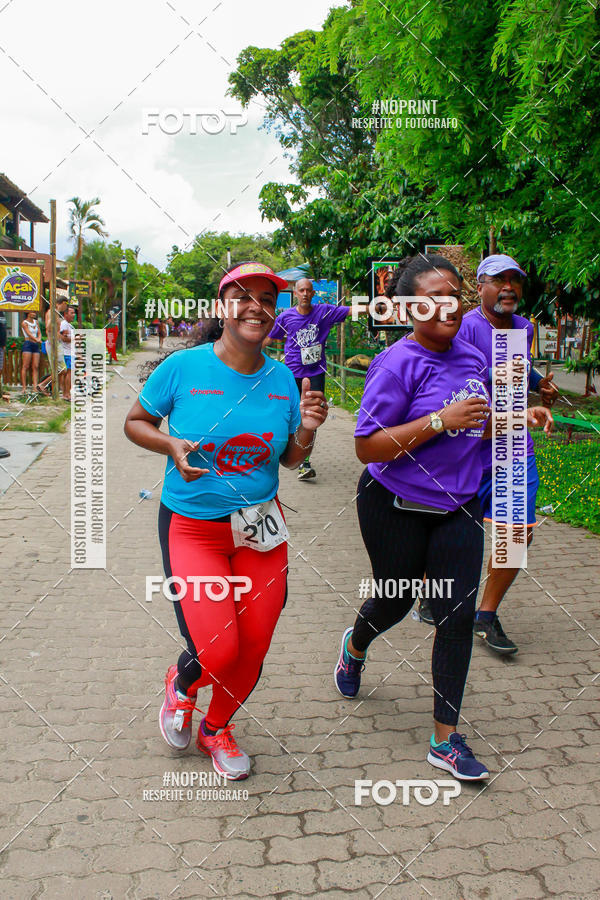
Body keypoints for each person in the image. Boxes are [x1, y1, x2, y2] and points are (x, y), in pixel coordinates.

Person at [333, 254, 552, 781]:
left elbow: (475, 425)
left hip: (457, 507)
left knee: (454, 618)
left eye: (453, 294)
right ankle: (355, 644)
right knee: (395, 600)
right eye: (432, 297)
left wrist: (516, 416)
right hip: (393, 506)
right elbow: (367, 447)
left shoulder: (474, 355)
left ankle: (444, 740)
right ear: (409, 307)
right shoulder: (397, 362)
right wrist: (437, 419)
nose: (447, 305)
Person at [124, 261, 329, 779]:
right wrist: (170, 444)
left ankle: (217, 727)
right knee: (220, 647)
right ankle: (181, 683)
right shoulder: (184, 367)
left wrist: (307, 429)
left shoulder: (282, 378)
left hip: (261, 529)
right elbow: (135, 422)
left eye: (266, 298)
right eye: (243, 296)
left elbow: (288, 460)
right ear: (223, 307)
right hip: (193, 527)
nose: (255, 306)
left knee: (253, 645)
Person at [450, 253, 558, 654]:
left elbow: (516, 368)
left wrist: (537, 385)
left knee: (516, 536)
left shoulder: (523, 327)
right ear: (480, 287)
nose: (509, 286)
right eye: (499, 279)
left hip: (514, 447)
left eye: (515, 279)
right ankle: (433, 592)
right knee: (450, 536)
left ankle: (485, 615)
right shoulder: (463, 329)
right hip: (465, 449)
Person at [264, 278, 349, 481]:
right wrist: (247, 353)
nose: (304, 293)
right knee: (291, 414)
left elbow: (351, 310)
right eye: (301, 290)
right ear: (295, 293)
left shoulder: (323, 312)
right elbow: (270, 337)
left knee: (311, 417)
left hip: (315, 373)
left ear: (313, 293)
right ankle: (282, 452)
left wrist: (380, 306)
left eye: (308, 290)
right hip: (292, 373)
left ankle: (304, 462)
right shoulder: (286, 317)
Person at [20, 310, 43, 393]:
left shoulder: (36, 322)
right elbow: (29, 333)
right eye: (32, 312)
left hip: (35, 344)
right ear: (28, 313)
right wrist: (37, 339)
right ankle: (24, 387)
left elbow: (39, 332)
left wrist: (39, 338)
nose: (34, 314)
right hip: (28, 344)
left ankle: (35, 387)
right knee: (25, 366)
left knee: (35, 366)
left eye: (35, 312)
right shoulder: (24, 323)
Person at [59, 306, 76, 400]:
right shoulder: (64, 324)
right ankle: (66, 394)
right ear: (65, 314)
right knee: (69, 373)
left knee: (69, 373)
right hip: (67, 352)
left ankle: (66, 393)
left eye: (74, 313)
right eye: (71, 313)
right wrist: (75, 339)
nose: (74, 315)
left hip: (70, 352)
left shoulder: (69, 325)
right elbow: (64, 338)